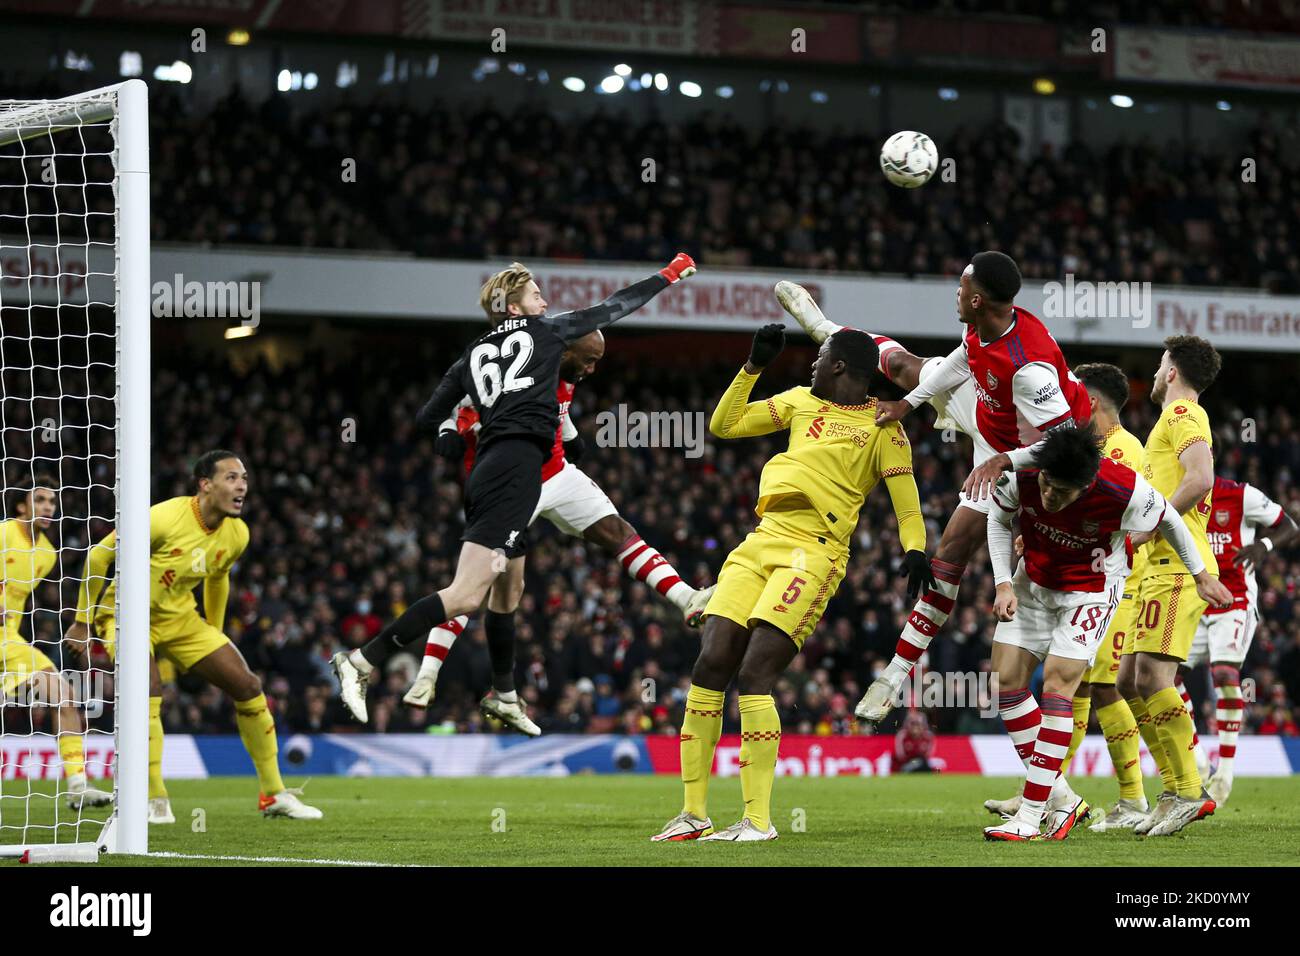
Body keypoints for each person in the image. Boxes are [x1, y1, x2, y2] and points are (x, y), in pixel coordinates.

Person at [333, 254, 696, 729]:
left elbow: (427, 417)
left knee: (508, 592)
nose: (545, 302)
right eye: (536, 295)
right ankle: (361, 662)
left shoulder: (471, 356)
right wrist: (669, 274)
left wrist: (465, 422)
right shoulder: (547, 332)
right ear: (515, 307)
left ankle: (505, 696)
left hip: (499, 469)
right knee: (466, 596)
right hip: (515, 471)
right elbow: (614, 306)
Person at [773, 254, 1092, 729]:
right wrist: (907, 403)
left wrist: (1003, 461)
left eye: (961, 287)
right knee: (904, 365)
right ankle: (826, 330)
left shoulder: (1030, 372)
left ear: (978, 298)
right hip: (988, 417)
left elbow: (1064, 446)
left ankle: (895, 676)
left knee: (953, 547)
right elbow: (963, 358)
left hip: (1029, 459)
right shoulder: (987, 325)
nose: (956, 293)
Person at [651, 322, 932, 843]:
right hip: (761, 540)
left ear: (841, 365)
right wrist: (752, 368)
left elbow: (906, 501)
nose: (811, 364)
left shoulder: (883, 426)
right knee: (710, 662)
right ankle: (693, 813)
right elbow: (725, 425)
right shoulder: (801, 400)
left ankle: (757, 820)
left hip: (816, 552)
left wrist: (915, 551)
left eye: (820, 355)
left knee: (755, 674)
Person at [404, 328, 714, 714]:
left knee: (619, 531)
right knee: (473, 588)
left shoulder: (565, 373)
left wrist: (571, 436)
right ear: (564, 352)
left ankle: (686, 598)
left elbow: (560, 409)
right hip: (510, 487)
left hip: (556, 473)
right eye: (587, 359)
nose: (591, 368)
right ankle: (427, 675)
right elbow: (462, 406)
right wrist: (448, 430)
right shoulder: (517, 372)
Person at [983, 427, 1232, 841]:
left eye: (1062, 493)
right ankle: (1061, 799)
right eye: (1046, 485)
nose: (1049, 497)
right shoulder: (1022, 474)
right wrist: (1002, 582)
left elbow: (1170, 519)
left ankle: (1031, 815)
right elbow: (998, 518)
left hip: (1090, 593)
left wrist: (1201, 575)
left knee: (1059, 687)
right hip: (1034, 583)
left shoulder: (1123, 489)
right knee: (1006, 682)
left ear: (1086, 484)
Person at [66, 451, 322, 819]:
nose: (242, 486)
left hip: (182, 619)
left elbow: (218, 578)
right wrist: (81, 621)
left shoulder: (238, 533)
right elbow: (98, 557)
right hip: (126, 616)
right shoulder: (163, 518)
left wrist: (214, 634)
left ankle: (273, 794)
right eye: (232, 477)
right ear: (205, 484)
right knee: (147, 692)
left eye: (245, 478)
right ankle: (154, 799)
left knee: (248, 686)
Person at [1116, 336, 1228, 837]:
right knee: (1128, 682)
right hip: (1155, 570)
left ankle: (1187, 792)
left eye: (1162, 363)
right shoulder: (1169, 420)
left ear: (1173, 372)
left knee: (1154, 681)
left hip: (1180, 569)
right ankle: (1174, 788)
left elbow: (1201, 477)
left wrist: (1151, 525)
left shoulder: (1185, 413)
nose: (1157, 372)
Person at [0, 479, 111, 812]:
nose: (49, 507)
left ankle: (77, 784)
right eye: (40, 499)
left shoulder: (47, 554)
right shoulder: (4, 533)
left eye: (52, 501)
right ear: (21, 505)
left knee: (64, 694)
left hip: (8, 642)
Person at [1186, 474, 1296, 805]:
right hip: (1192, 601)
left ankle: (1226, 773)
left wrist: (1263, 545)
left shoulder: (1241, 495)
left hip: (1234, 602)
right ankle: (1197, 757)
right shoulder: (1180, 494)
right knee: (1158, 675)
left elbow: (1289, 525)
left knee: (1224, 674)